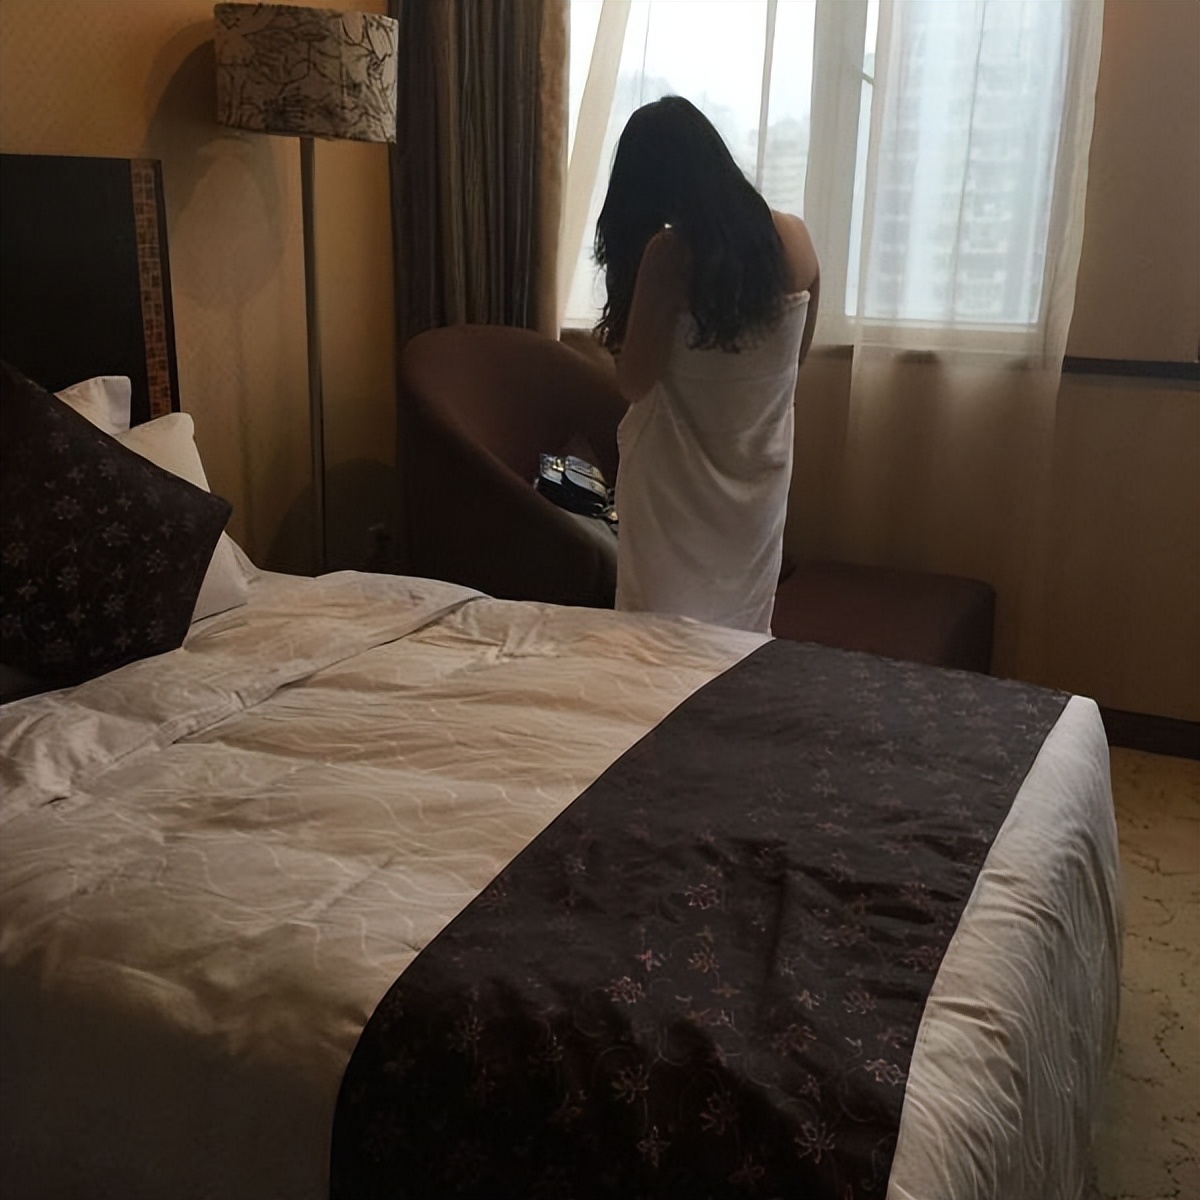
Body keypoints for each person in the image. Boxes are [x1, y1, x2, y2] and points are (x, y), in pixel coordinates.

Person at [594, 95, 819, 635]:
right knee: (739, 633)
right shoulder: (795, 237)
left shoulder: (670, 256)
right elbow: (796, 356)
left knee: (660, 637)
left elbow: (635, 381)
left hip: (678, 488)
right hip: (758, 476)